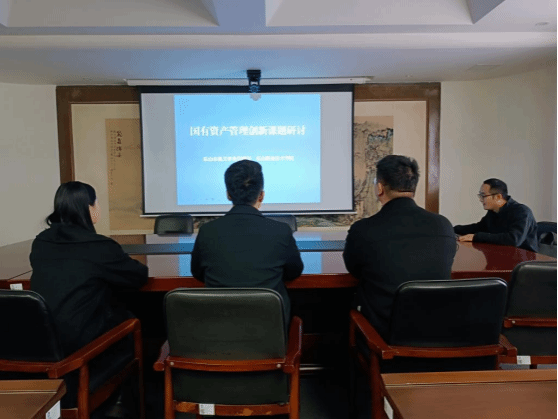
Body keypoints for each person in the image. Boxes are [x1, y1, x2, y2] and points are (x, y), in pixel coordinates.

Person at [343, 155, 457, 340]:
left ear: (380, 188)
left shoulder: (363, 229)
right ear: (413, 188)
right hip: (437, 333)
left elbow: (354, 270)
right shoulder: (443, 225)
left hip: (382, 338)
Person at [30, 181, 148, 355]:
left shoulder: (41, 242)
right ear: (88, 207)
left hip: (44, 342)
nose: (98, 207)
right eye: (97, 202)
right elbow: (139, 276)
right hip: (83, 346)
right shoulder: (99, 246)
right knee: (132, 315)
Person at [191, 159, 304, 321]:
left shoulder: (207, 231)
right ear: (261, 195)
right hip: (270, 330)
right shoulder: (281, 231)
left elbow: (198, 273)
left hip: (218, 329)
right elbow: (294, 272)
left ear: (228, 194)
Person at [454, 178, 538, 252]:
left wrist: (476, 237)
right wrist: (452, 229)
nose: (480, 200)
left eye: (483, 195)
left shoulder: (522, 212)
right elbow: (478, 228)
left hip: (524, 260)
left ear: (498, 197)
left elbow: (514, 239)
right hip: (502, 254)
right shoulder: (493, 211)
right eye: (480, 195)